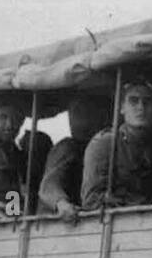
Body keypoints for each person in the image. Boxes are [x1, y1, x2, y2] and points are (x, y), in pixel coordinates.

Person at [81, 74, 152, 210]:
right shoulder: (105, 143)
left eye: (147, 102)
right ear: (122, 108)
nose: (141, 107)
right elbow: (92, 199)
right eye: (133, 101)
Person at [38, 92, 111, 221]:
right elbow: (49, 185)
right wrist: (61, 204)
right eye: (75, 113)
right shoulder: (68, 147)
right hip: (57, 222)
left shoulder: (105, 147)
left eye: (85, 113)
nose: (76, 120)